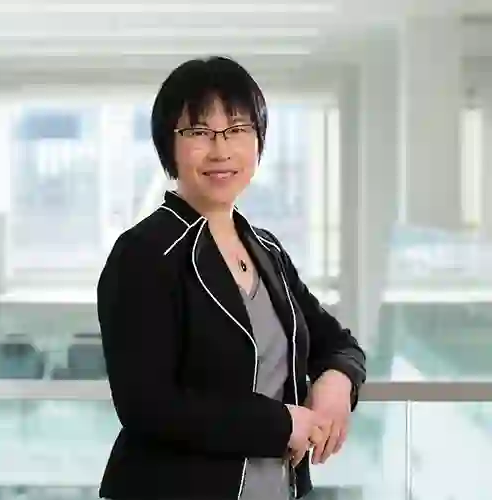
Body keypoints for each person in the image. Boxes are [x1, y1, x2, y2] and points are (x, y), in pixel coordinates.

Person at [96, 56, 367, 500]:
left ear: (258, 141)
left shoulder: (266, 250)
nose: (220, 150)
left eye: (238, 129)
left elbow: (338, 343)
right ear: (169, 145)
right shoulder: (145, 254)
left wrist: (337, 382)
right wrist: (281, 424)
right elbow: (147, 406)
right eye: (199, 132)